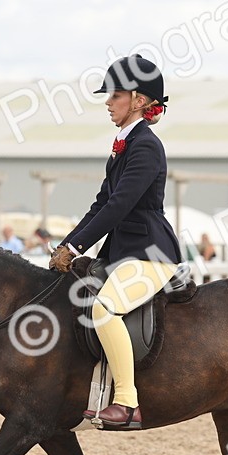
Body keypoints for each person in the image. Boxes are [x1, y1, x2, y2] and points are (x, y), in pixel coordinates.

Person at [49, 55, 180, 429]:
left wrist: (77, 249)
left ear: (139, 100)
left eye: (115, 95)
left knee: (103, 309)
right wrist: (67, 245)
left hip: (150, 254)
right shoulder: (123, 145)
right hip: (123, 252)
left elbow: (121, 205)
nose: (108, 102)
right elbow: (102, 204)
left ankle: (126, 402)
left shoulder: (146, 146)